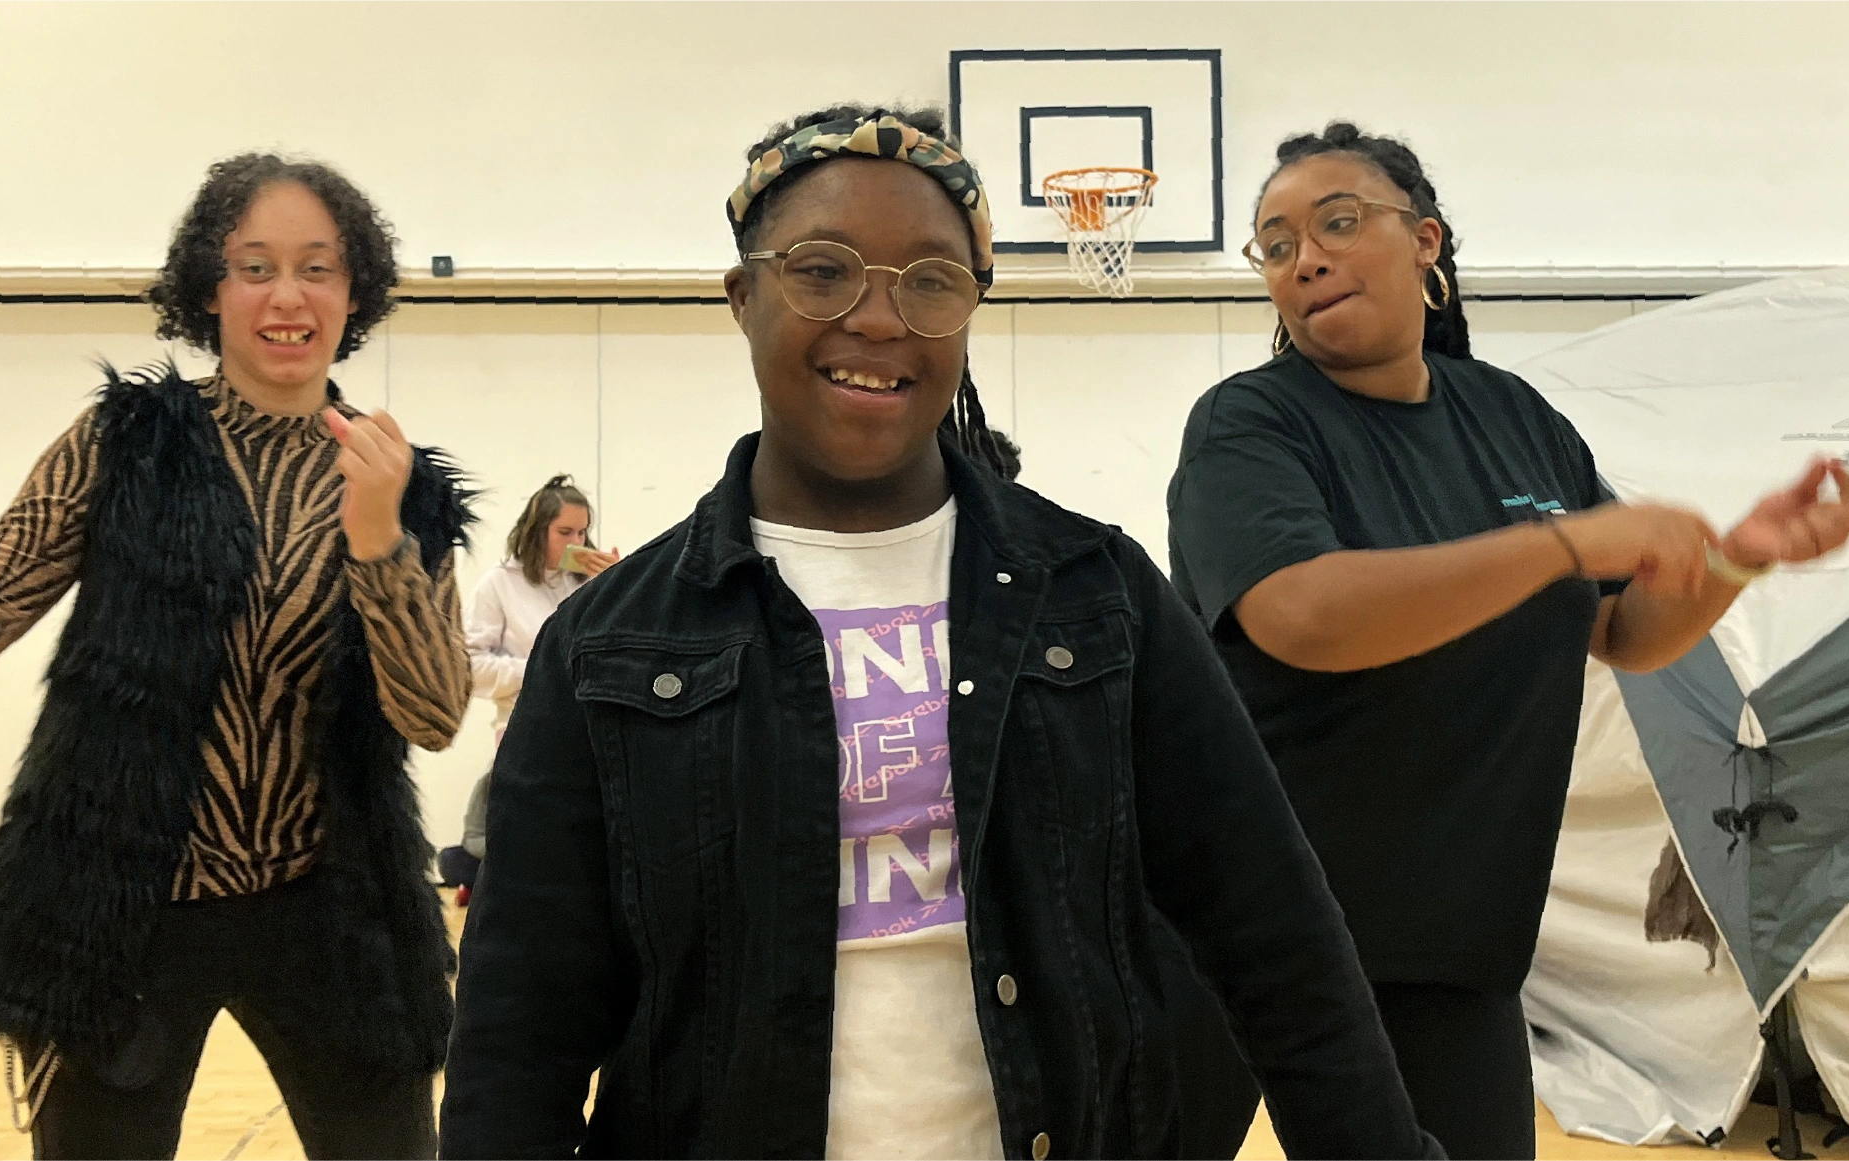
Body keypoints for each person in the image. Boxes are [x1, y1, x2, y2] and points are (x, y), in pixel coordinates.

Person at [441, 105, 1443, 1161]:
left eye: (930, 280)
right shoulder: (610, 646)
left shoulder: (1098, 595)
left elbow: (1272, 932)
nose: (880, 319)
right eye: (822, 270)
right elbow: (520, 1032)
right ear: (742, 298)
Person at [0, 153, 473, 1160]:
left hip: (331, 908)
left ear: (355, 291)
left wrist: (377, 539)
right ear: (208, 291)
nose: (286, 296)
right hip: (125, 912)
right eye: (254, 267)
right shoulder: (124, 444)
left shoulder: (400, 482)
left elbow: (432, 716)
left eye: (317, 267)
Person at [1165, 122, 1849, 1161]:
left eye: (1338, 222)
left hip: (1448, 939)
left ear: (1424, 243)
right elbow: (1300, 615)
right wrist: (1556, 542)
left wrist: (1733, 562)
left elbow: (1618, 631)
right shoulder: (1250, 426)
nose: (1303, 256)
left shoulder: (1513, 418)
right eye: (1274, 244)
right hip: (1234, 933)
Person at [439, 474, 617, 898]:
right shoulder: (499, 584)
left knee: (588, 835)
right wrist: (545, 671)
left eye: (583, 531)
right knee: (536, 835)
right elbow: (473, 667)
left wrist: (618, 585)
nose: (578, 541)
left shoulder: (588, 581)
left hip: (588, 725)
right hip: (523, 726)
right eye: (565, 532)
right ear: (538, 532)